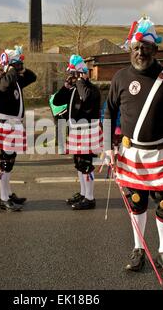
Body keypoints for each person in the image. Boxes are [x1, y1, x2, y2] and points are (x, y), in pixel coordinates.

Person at [104, 16, 163, 278]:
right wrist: (108, 147)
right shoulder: (120, 77)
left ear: (156, 50)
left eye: (146, 48)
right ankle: (138, 249)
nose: (140, 53)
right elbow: (108, 113)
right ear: (131, 48)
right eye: (136, 48)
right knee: (136, 203)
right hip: (132, 153)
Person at [0, 45, 36, 212]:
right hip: (6, 125)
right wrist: (9, 67)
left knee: (11, 161)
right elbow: (5, 84)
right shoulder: (1, 80)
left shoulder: (14, 79)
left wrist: (21, 67)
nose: (17, 68)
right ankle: (3, 198)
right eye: (15, 65)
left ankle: (8, 194)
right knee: (5, 162)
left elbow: (32, 76)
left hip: (14, 125)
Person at [53, 55, 102, 210]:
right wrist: (66, 86)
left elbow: (86, 97)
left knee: (86, 165)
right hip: (76, 131)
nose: (72, 77)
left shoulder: (91, 89)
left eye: (74, 74)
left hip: (88, 131)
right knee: (79, 164)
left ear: (81, 74)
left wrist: (81, 80)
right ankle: (83, 193)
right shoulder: (74, 89)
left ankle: (90, 197)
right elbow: (57, 101)